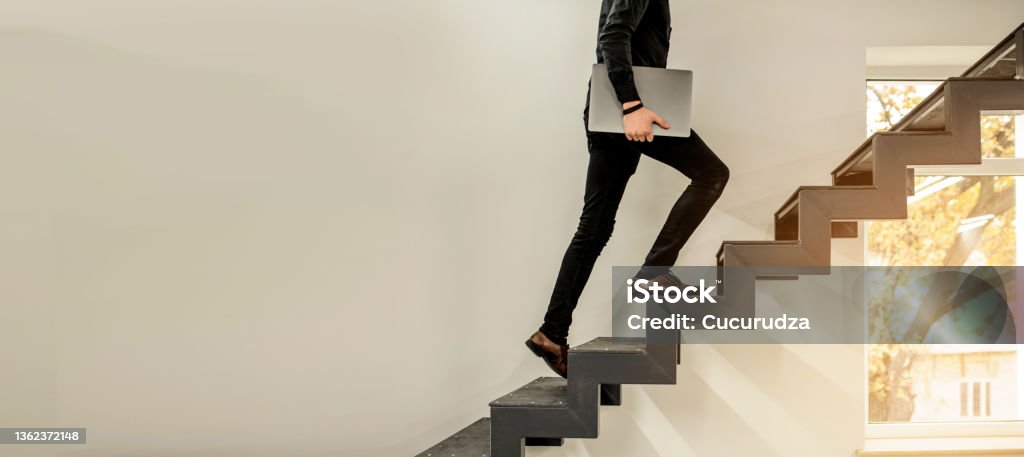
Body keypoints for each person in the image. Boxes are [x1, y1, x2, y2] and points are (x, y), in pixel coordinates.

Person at [525, 0, 730, 378]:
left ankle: (552, 333)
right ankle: (653, 272)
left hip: (612, 113)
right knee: (711, 174)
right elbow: (613, 34)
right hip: (627, 110)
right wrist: (632, 104)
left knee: (594, 229)